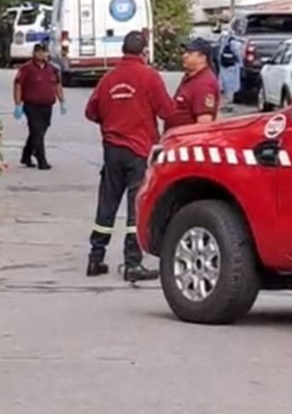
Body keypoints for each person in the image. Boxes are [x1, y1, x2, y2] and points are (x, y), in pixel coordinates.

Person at [84, 32, 175, 282]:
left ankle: (96, 257)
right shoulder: (149, 77)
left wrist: (112, 119)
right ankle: (132, 262)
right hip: (139, 150)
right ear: (144, 52)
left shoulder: (108, 78)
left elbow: (91, 112)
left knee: (107, 204)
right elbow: (167, 110)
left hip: (112, 149)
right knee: (136, 207)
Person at [14, 43, 66, 170]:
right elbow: (18, 85)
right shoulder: (26, 68)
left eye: (44, 52)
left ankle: (26, 155)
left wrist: (62, 101)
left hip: (47, 105)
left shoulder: (53, 69)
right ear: (34, 53)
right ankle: (42, 160)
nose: (41, 54)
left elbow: (57, 86)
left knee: (41, 130)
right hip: (31, 105)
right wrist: (18, 103)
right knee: (37, 131)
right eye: (38, 52)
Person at [166, 37, 221, 131]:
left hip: (186, 141)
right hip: (176, 139)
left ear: (202, 58)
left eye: (190, 53)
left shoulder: (204, 84)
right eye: (185, 52)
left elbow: (204, 123)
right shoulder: (191, 77)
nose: (184, 56)